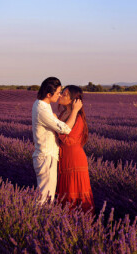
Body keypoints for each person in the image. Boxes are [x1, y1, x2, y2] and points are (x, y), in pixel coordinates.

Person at [32, 77, 83, 204]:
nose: (59, 95)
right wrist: (75, 111)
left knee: (46, 195)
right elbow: (65, 129)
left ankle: (40, 219)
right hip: (46, 156)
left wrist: (55, 119)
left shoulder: (42, 105)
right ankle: (39, 220)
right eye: (58, 93)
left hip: (48, 156)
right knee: (45, 197)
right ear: (49, 94)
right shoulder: (43, 109)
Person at [56, 85, 95, 214]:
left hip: (74, 161)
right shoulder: (63, 114)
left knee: (75, 194)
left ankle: (83, 227)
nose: (60, 95)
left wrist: (56, 128)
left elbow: (68, 140)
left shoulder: (77, 118)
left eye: (65, 94)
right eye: (61, 93)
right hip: (64, 159)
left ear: (73, 100)